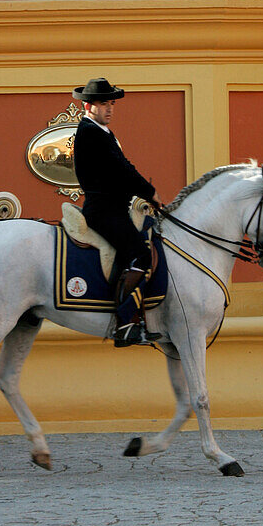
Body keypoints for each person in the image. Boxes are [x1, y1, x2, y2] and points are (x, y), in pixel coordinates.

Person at [71, 77, 163, 347]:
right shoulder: (90, 132)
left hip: (115, 209)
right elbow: (121, 170)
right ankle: (125, 324)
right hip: (103, 211)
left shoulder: (102, 132)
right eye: (103, 103)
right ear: (88, 105)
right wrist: (151, 192)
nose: (110, 109)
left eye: (111, 103)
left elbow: (124, 165)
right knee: (140, 254)